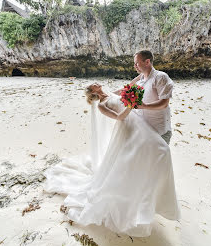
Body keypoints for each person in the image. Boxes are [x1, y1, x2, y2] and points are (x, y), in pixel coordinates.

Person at [44, 82, 180, 237]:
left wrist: (137, 85)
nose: (96, 83)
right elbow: (119, 117)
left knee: (160, 150)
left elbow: (130, 85)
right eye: (93, 84)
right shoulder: (102, 105)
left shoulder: (111, 93)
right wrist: (131, 104)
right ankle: (142, 191)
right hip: (129, 129)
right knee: (159, 151)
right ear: (93, 91)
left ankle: (154, 192)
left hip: (140, 124)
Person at [116, 50, 174, 145]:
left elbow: (164, 103)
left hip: (159, 131)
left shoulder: (160, 77)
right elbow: (125, 89)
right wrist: (104, 94)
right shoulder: (140, 79)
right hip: (142, 131)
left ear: (147, 62)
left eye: (136, 63)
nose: (134, 66)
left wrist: (144, 106)